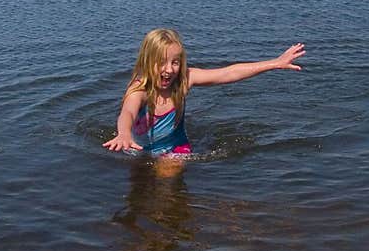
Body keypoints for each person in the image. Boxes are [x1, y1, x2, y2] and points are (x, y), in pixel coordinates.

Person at [103, 28, 306, 156]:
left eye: (175, 62)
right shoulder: (140, 88)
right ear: (147, 62)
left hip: (176, 148)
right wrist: (123, 134)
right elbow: (127, 112)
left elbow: (227, 73)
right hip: (138, 148)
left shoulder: (184, 79)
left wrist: (274, 63)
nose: (168, 69)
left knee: (168, 181)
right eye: (160, 63)